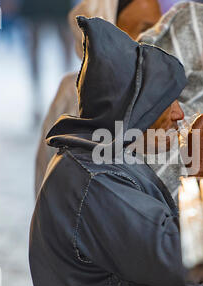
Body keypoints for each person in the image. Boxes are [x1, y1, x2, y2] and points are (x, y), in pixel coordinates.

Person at [29, 16, 203, 286]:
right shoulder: (95, 179)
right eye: (164, 101)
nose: (178, 114)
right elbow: (182, 263)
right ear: (131, 107)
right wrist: (201, 180)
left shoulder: (103, 156)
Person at [34, 0, 162, 196]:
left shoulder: (161, 91)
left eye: (159, 28)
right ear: (107, 32)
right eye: (144, 29)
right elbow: (50, 181)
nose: (156, 40)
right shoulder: (74, 94)